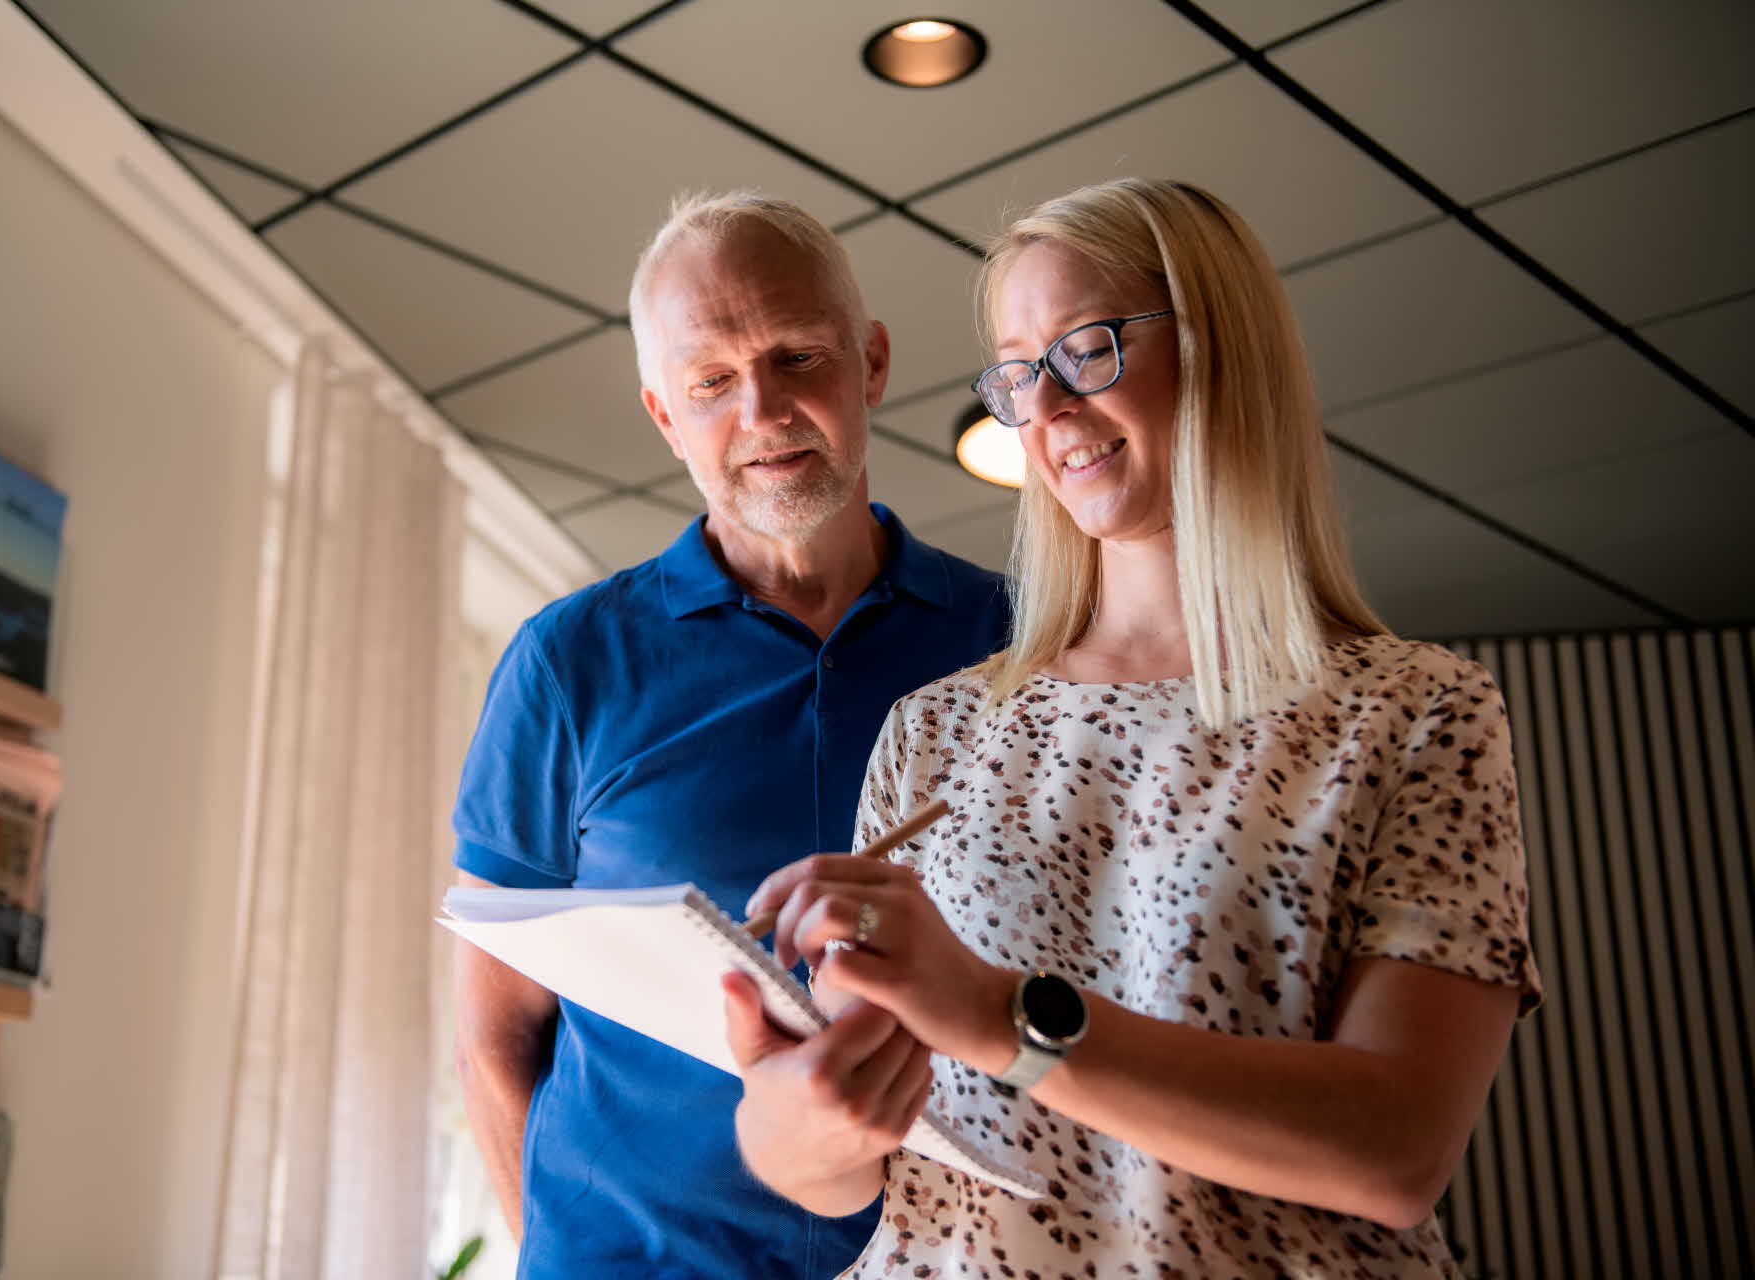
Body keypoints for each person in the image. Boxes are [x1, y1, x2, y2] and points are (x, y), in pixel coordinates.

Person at [725, 177, 1543, 1278]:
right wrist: (794, 1115)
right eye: (1019, 375)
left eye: (1088, 348)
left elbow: (1395, 1149)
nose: (1048, 410)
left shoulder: (1413, 711)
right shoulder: (938, 729)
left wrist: (1001, 1015)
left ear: (1220, 349)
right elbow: (843, 1168)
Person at [449, 191, 1010, 1279]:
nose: (764, 409)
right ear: (665, 413)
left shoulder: (1019, 643)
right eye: (712, 380)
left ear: (872, 363)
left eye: (800, 355)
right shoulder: (566, 663)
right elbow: (492, 1039)